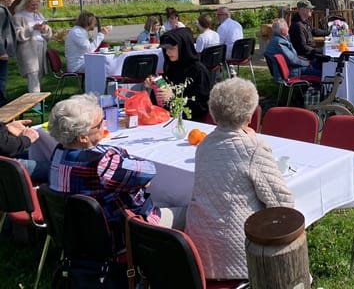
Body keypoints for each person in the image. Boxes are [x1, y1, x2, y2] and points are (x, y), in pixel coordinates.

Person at [186, 79, 294, 281]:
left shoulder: (204, 145)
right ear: (250, 116)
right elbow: (282, 204)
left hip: (198, 247)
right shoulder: (252, 148)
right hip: (236, 253)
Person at [48, 93, 184, 230]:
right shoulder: (103, 162)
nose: (105, 124)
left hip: (77, 229)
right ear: (83, 137)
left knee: (159, 200)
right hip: (119, 231)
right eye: (100, 123)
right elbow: (149, 170)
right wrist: (138, 182)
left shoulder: (58, 153)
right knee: (188, 213)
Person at [151, 28, 212, 122]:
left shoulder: (198, 70)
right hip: (168, 118)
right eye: (166, 49)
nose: (167, 52)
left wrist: (173, 99)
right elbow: (164, 96)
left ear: (183, 48)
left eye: (172, 48)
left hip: (191, 122)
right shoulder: (171, 65)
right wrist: (156, 85)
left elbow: (202, 106)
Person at [13, 0, 52, 93]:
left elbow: (48, 34)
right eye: (32, 4)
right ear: (26, 3)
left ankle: (38, 101)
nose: (35, 7)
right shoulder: (18, 16)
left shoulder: (39, 15)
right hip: (28, 49)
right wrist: (32, 28)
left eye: (37, 4)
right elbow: (17, 35)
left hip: (41, 46)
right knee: (33, 74)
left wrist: (45, 29)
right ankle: (35, 104)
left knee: (39, 74)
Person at [0, 0, 17, 107]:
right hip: (1, 52)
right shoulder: (1, 11)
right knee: (1, 79)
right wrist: (2, 52)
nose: (13, 0)